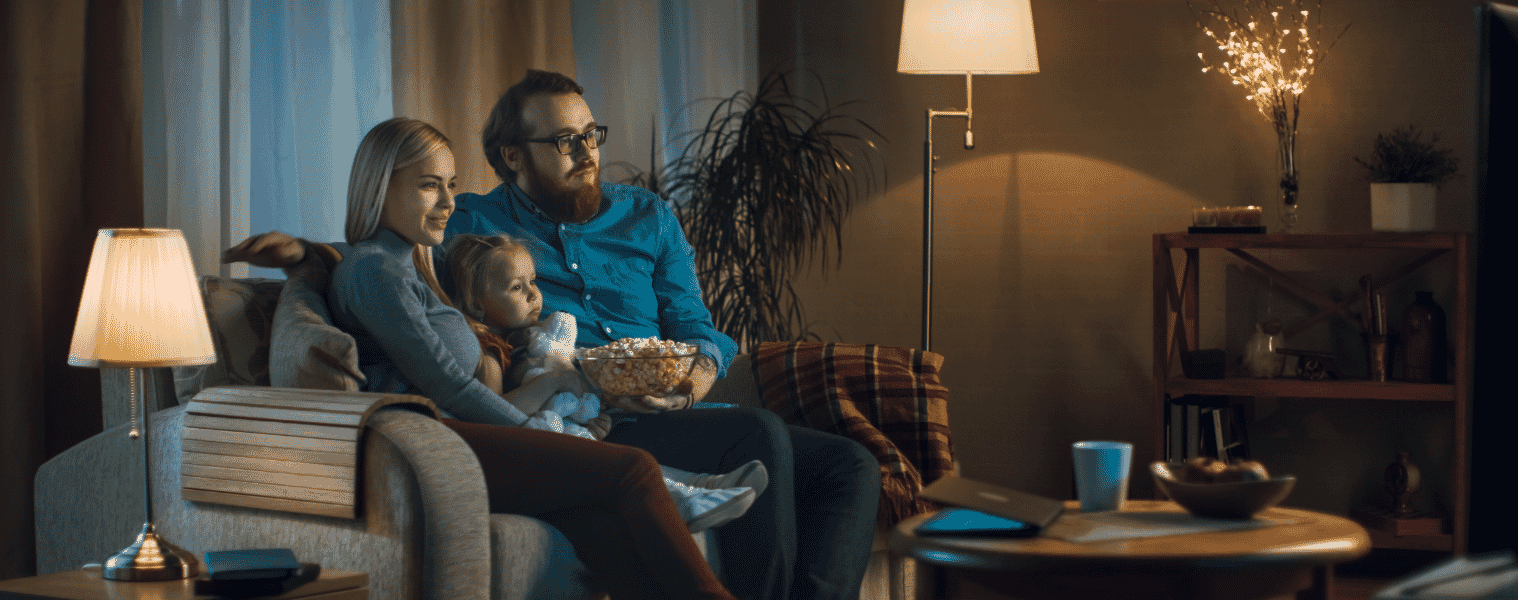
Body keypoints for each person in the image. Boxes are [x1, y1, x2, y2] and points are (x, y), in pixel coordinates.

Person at [224, 70, 882, 600]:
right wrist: (307, 254)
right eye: (565, 141)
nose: (587, 152)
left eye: (591, 134)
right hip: (581, 412)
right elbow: (379, 255)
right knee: (759, 434)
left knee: (849, 465)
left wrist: (692, 383)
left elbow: (697, 329)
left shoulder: (649, 216)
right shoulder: (471, 224)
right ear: (513, 156)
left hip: (672, 405)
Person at [323, 116, 737, 600]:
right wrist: (538, 434)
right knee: (633, 469)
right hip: (437, 442)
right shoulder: (374, 270)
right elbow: (447, 385)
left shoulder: (413, 263)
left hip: (461, 432)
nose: (448, 203)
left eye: (451, 186)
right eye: (429, 186)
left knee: (599, 523)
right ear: (379, 186)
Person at [445, 231, 767, 533]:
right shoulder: (489, 354)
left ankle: (705, 486)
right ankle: (685, 499)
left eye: (533, 281)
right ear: (476, 303)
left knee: (616, 453)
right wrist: (556, 380)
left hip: (559, 436)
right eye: (516, 288)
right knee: (627, 464)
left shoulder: (523, 343)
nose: (533, 294)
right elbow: (493, 419)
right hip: (530, 458)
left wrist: (587, 422)